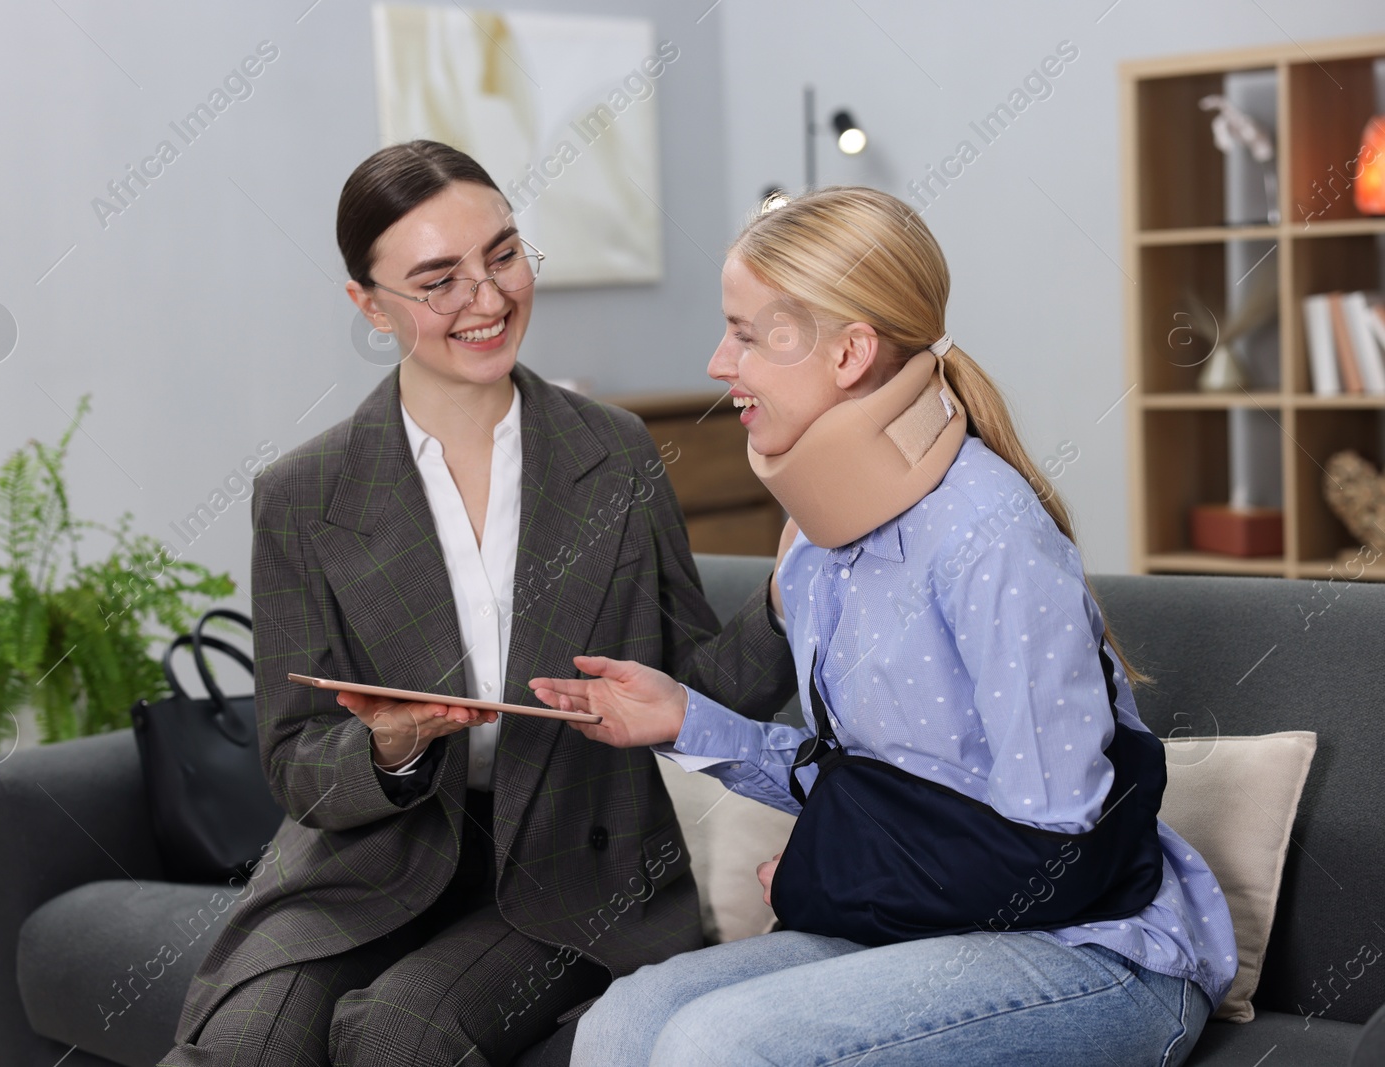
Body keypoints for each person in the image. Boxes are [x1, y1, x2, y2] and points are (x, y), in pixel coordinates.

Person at [531, 186, 1238, 1067]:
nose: (720, 361)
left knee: (717, 1045)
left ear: (852, 352)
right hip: (937, 929)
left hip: (1097, 951)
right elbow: (883, 787)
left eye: (749, 334)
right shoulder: (817, 549)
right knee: (622, 1026)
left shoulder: (988, 533)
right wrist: (684, 718)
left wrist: (833, 876)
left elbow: (1055, 846)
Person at [158, 140, 796, 1067]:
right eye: (438, 280)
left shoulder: (615, 455)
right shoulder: (301, 496)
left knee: (398, 1032)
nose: (489, 299)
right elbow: (297, 764)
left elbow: (691, 685)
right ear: (369, 306)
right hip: (369, 864)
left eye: (502, 255)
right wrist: (388, 743)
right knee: (245, 1046)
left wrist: (783, 601)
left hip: (574, 865)